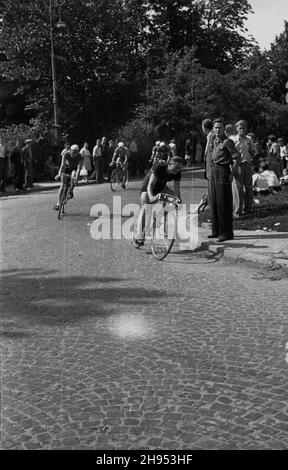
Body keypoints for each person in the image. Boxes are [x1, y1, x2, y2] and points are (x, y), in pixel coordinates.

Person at [134, 156, 183, 244]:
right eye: (176, 168)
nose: (177, 171)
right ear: (169, 164)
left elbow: (176, 189)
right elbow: (151, 184)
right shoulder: (160, 167)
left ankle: (163, 220)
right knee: (146, 207)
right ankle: (139, 234)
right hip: (148, 187)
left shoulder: (177, 173)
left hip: (161, 187)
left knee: (174, 199)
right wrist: (152, 197)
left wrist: (177, 200)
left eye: (179, 168)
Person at [209, 119, 240, 242]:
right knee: (214, 203)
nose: (218, 130)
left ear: (224, 129)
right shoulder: (215, 141)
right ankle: (216, 231)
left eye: (220, 128)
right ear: (213, 129)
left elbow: (237, 158)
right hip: (214, 171)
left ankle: (226, 233)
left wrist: (232, 173)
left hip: (223, 171)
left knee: (223, 203)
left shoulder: (228, 142)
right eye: (216, 128)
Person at [233, 120, 255, 217]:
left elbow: (254, 152)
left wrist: (250, 148)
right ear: (237, 129)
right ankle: (238, 210)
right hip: (238, 165)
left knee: (249, 187)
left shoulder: (249, 139)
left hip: (247, 164)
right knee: (239, 188)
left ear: (246, 129)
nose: (242, 130)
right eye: (240, 128)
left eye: (244, 128)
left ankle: (248, 208)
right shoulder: (233, 140)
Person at [53, 144, 82, 210]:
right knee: (62, 185)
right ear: (70, 150)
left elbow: (79, 168)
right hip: (66, 167)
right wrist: (59, 175)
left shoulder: (80, 156)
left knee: (74, 176)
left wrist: (76, 179)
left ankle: (71, 190)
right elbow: (62, 165)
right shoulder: (66, 154)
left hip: (74, 168)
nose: (74, 154)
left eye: (76, 153)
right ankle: (58, 203)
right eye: (73, 152)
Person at [202, 118, 215, 209]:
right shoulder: (209, 136)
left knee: (211, 183)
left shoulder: (213, 136)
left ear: (204, 127)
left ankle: (211, 204)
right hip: (208, 164)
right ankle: (210, 202)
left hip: (212, 164)